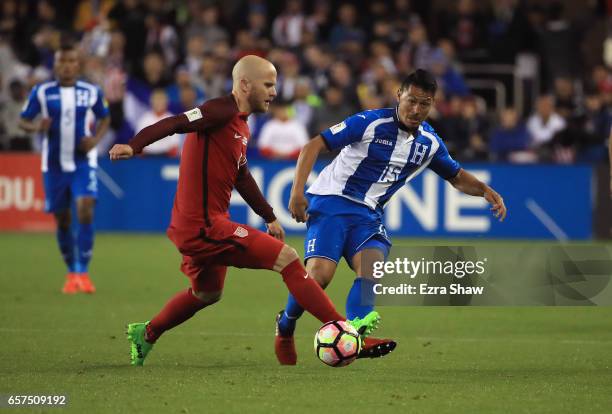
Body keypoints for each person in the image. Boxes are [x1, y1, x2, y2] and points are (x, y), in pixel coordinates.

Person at [108, 55, 380, 366]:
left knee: (207, 293)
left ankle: (147, 333)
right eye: (268, 84)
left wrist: (269, 216)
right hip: (204, 227)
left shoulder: (240, 125)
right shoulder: (219, 110)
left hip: (200, 227)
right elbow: (176, 123)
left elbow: (242, 177)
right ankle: (343, 329)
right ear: (244, 84)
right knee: (288, 258)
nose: (274, 92)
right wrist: (135, 145)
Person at [275, 69, 507, 365]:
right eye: (411, 100)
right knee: (319, 277)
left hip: (368, 215)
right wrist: (297, 193)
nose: (416, 109)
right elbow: (313, 145)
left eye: (425, 103)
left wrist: (485, 190)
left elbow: (456, 176)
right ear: (399, 95)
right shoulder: (370, 122)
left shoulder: (429, 143)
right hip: (332, 201)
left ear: (432, 104)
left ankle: (355, 335)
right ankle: (285, 326)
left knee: (371, 267)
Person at [19, 43, 111, 294]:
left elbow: (105, 116)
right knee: (62, 220)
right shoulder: (41, 92)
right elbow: (23, 120)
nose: (66, 66)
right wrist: (37, 127)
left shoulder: (91, 91)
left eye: (71, 61)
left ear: (77, 65)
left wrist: (95, 139)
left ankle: (83, 270)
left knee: (85, 208)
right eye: (61, 61)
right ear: (55, 65)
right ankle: (72, 271)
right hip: (54, 165)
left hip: (83, 161)